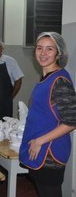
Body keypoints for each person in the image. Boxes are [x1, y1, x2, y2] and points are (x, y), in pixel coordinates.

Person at [19, 32, 76, 197]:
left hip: (50, 152)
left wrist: (39, 141)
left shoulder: (60, 82)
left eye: (49, 49)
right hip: (39, 148)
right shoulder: (46, 78)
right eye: (39, 48)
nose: (43, 53)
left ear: (58, 53)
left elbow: (72, 121)